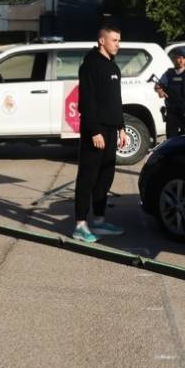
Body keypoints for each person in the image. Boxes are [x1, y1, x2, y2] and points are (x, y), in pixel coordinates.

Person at [71, 24, 130, 243]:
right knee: (88, 177)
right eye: (114, 40)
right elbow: (86, 100)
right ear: (101, 41)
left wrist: (121, 128)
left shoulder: (113, 67)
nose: (118, 44)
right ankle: (80, 224)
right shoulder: (90, 65)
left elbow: (116, 101)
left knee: (105, 177)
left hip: (111, 130)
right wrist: (94, 131)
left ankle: (99, 220)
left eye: (119, 40)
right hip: (94, 130)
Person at [154, 47, 185, 138]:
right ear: (174, 58)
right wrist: (160, 91)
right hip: (172, 111)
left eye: (183, 58)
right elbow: (157, 86)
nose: (181, 60)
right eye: (179, 57)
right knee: (171, 139)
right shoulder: (168, 74)